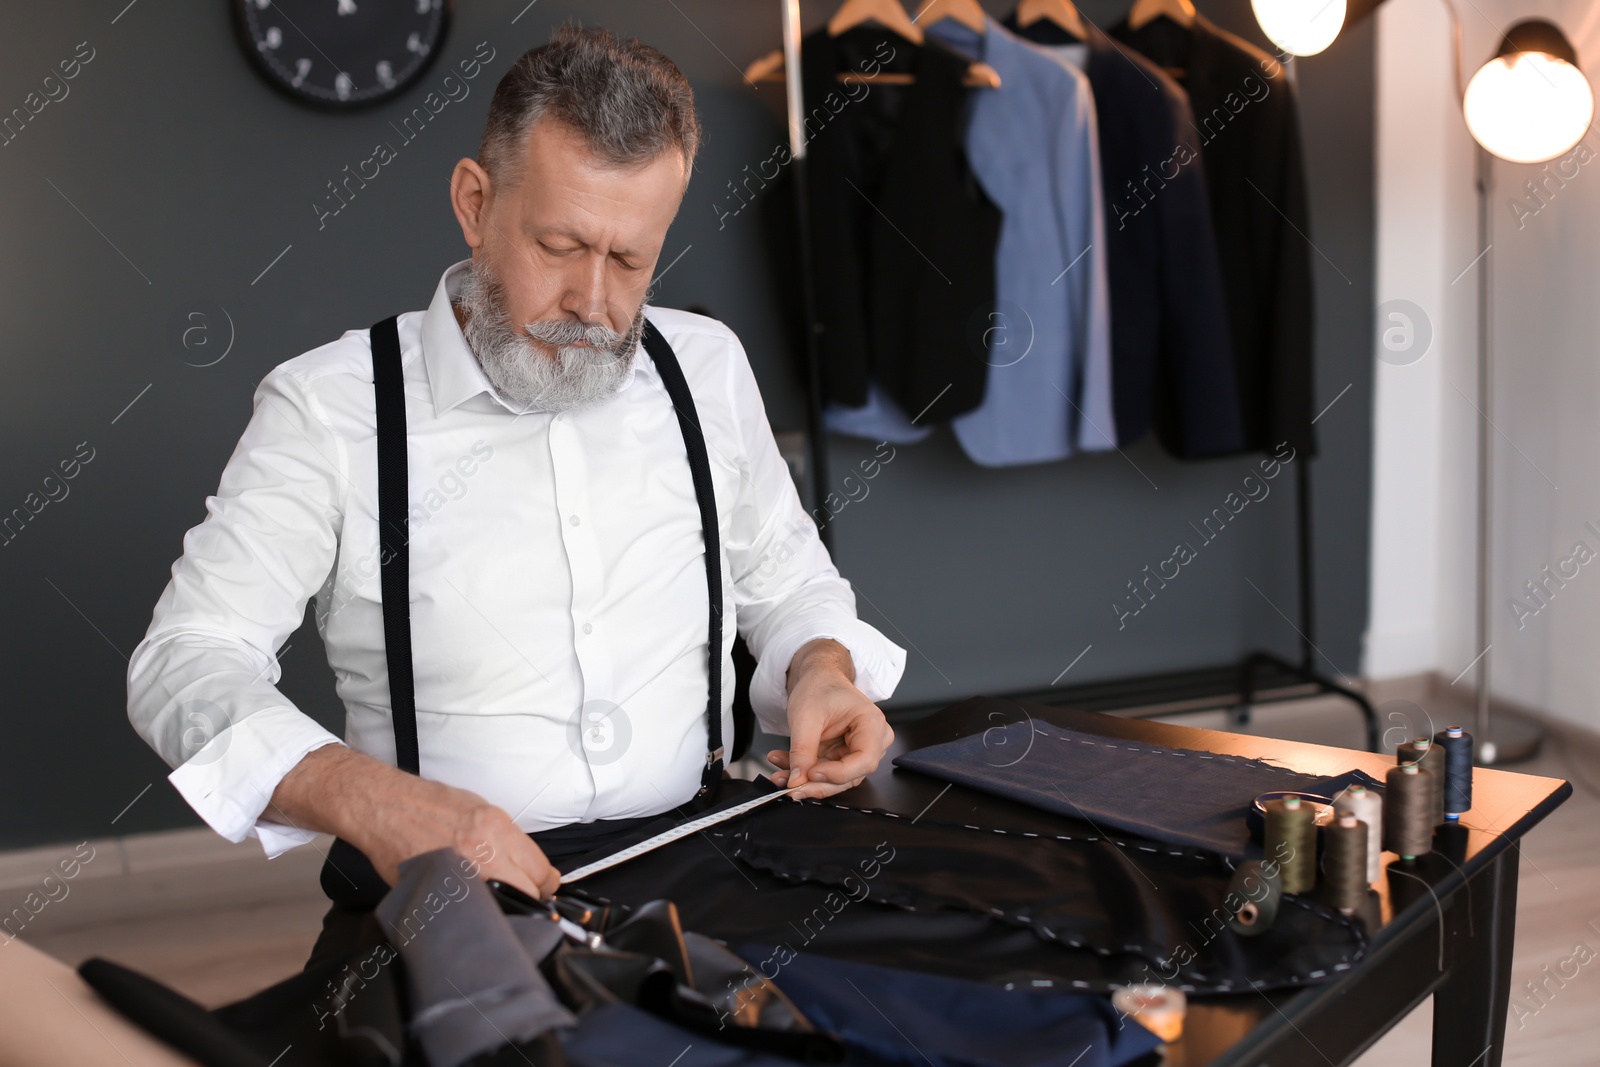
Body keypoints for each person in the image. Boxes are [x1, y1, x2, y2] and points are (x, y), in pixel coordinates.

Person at [126, 24, 905, 916]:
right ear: (473, 201)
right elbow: (186, 658)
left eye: (630, 259)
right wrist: (371, 798)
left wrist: (820, 667)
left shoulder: (707, 365)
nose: (595, 302)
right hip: (446, 897)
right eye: (561, 247)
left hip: (709, 858)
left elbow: (784, 577)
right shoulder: (331, 405)